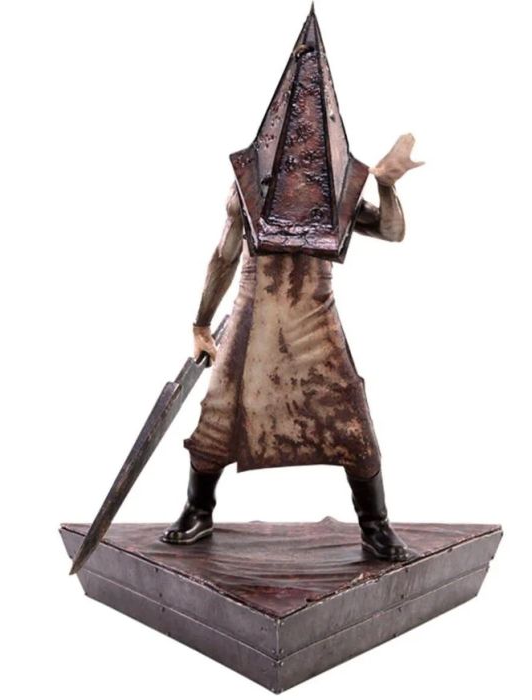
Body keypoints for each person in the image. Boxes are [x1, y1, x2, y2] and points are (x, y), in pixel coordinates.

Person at [161, 7, 422, 561]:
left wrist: (386, 186)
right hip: (251, 317)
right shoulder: (249, 189)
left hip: (313, 321)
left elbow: (393, 232)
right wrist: (201, 323)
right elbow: (223, 257)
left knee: (349, 414)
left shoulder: (336, 192)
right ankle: (198, 510)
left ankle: (375, 524)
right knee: (219, 414)